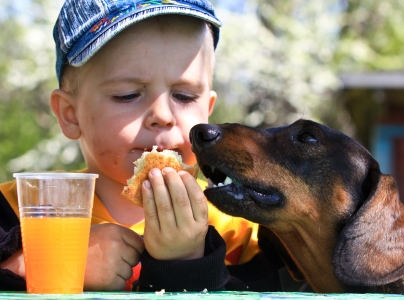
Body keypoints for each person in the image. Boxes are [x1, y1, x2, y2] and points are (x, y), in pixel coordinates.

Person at [0, 0, 284, 292]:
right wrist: (54, 262)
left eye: (185, 96)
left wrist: (188, 261)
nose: (162, 115)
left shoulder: (237, 225)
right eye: (128, 95)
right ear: (71, 115)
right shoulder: (20, 210)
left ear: (208, 110)